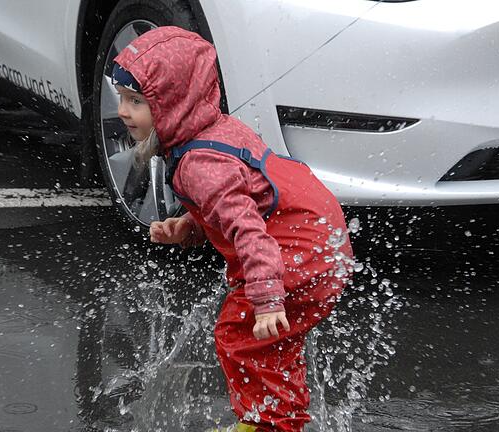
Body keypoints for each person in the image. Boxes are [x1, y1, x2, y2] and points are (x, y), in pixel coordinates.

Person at [111, 26, 354, 432]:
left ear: (172, 103)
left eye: (136, 101)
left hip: (295, 252)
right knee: (273, 345)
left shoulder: (199, 164)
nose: (122, 110)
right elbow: (243, 198)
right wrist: (190, 226)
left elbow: (248, 230)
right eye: (122, 98)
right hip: (321, 245)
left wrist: (267, 297)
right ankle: (281, 422)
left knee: (238, 336)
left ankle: (262, 426)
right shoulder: (215, 130)